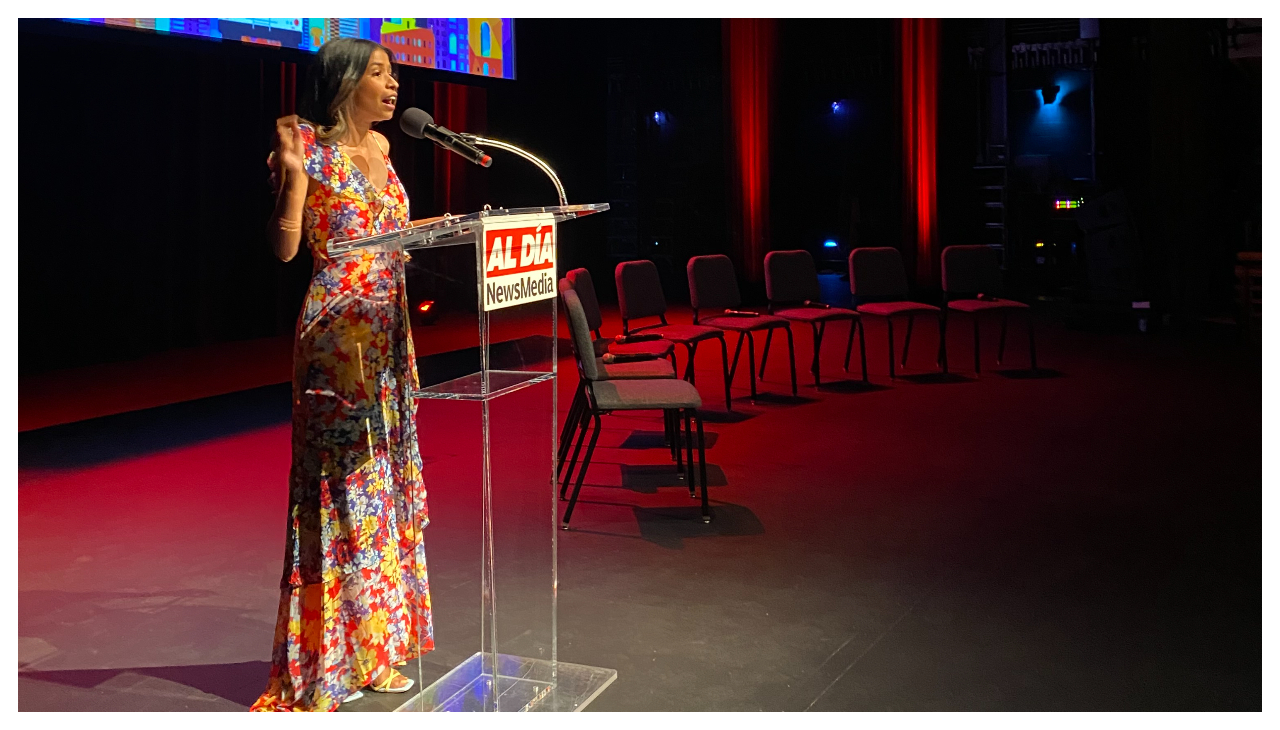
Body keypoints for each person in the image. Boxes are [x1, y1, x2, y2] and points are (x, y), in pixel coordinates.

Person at [251, 37, 437, 711]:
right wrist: (295, 181)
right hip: (336, 338)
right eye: (381, 74)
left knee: (380, 490)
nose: (394, 86)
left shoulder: (386, 151)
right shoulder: (305, 146)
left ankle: (376, 645)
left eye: (395, 74)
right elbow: (285, 249)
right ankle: (329, 660)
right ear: (343, 83)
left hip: (387, 334)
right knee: (339, 496)